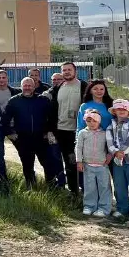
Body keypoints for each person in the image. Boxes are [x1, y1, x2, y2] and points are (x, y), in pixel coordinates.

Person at [3, 77, 63, 189]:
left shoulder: (43, 100)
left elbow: (52, 118)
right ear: (21, 87)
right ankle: (31, 186)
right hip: (23, 139)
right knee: (27, 164)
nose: (27, 88)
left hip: (41, 138)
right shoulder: (14, 101)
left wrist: (49, 131)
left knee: (47, 164)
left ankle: (51, 186)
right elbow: (5, 118)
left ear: (34, 86)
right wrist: (10, 133)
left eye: (29, 85)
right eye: (25, 85)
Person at [48, 62, 89, 194]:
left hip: (77, 131)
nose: (66, 72)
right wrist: (50, 130)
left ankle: (81, 190)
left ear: (75, 71)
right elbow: (52, 109)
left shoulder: (84, 86)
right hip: (60, 131)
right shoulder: (58, 87)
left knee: (77, 162)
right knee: (63, 161)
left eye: (69, 70)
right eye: (64, 70)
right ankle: (68, 190)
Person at [75, 109, 112, 217]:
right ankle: (89, 206)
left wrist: (110, 155)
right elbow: (78, 147)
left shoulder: (104, 133)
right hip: (87, 165)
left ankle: (104, 208)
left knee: (104, 187)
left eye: (94, 121)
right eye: (88, 121)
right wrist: (79, 161)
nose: (91, 124)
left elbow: (110, 146)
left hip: (102, 165)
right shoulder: (83, 133)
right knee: (89, 187)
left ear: (99, 121)